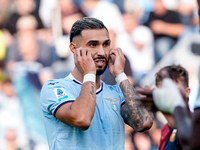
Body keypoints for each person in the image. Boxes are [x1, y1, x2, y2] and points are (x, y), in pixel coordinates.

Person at [40, 17, 153, 150]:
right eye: (93, 45)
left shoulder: (116, 92)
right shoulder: (54, 88)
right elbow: (82, 119)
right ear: (73, 48)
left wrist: (121, 75)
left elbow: (144, 123)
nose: (101, 52)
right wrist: (89, 74)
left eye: (106, 44)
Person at [136, 65, 191, 150]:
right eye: (164, 92)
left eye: (175, 91)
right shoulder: (166, 129)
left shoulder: (195, 125)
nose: (169, 97)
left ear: (187, 92)